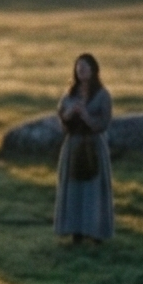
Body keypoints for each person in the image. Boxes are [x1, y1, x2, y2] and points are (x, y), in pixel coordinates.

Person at [53, 54, 115, 243]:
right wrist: (69, 114)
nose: (81, 70)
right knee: (74, 188)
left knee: (93, 189)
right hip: (73, 145)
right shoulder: (70, 94)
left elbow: (104, 122)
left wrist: (87, 116)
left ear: (93, 70)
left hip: (93, 146)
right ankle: (75, 231)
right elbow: (62, 117)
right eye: (78, 67)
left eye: (85, 67)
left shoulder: (102, 95)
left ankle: (96, 231)